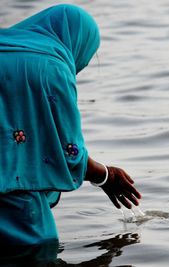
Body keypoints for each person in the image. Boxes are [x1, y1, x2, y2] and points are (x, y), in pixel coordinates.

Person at [0, 4, 141, 250]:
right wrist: (105, 176)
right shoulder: (52, 67)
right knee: (36, 251)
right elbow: (68, 152)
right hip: (13, 199)